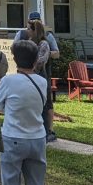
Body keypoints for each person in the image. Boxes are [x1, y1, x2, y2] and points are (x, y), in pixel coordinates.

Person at [0, 39, 49, 185]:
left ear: (15, 59)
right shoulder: (42, 82)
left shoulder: (9, 82)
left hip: (13, 137)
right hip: (37, 137)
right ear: (36, 60)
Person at [19, 14, 60, 142]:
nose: (26, 30)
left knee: (44, 104)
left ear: (34, 29)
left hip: (41, 77)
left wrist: (31, 71)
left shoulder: (44, 42)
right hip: (28, 76)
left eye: (29, 28)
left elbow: (42, 60)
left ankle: (46, 131)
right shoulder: (28, 40)